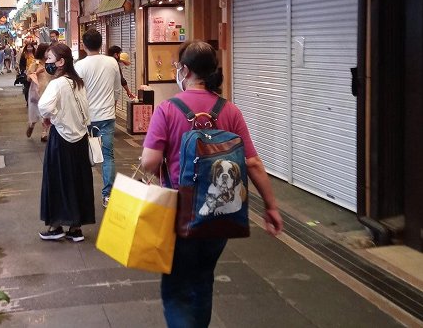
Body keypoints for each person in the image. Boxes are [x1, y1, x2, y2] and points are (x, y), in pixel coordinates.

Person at [140, 40, 283, 328]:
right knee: (203, 281)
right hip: (221, 211)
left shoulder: (167, 109)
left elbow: (149, 162)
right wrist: (271, 207)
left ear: (185, 70)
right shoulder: (229, 110)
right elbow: (253, 163)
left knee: (177, 288)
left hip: (179, 213)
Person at [37, 43, 95, 242]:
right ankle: (75, 228)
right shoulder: (77, 81)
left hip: (61, 138)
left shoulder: (57, 83)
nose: (47, 63)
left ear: (61, 62)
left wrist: (52, 116)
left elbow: (44, 107)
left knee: (56, 181)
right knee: (78, 181)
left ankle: (56, 227)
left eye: (50, 59)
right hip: (80, 138)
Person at [74, 29, 121, 208]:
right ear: (101, 43)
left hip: (87, 117)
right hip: (107, 115)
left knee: (85, 156)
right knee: (108, 156)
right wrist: (113, 105)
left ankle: (83, 195)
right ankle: (107, 195)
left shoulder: (80, 66)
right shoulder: (112, 62)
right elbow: (117, 88)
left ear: (84, 46)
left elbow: (77, 93)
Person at [26, 43, 52, 142]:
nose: (48, 53)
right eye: (47, 51)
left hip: (48, 92)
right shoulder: (35, 64)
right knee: (34, 113)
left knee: (46, 114)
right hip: (36, 92)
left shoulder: (51, 64)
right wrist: (37, 72)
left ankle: (44, 133)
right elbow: (28, 78)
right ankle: (31, 125)